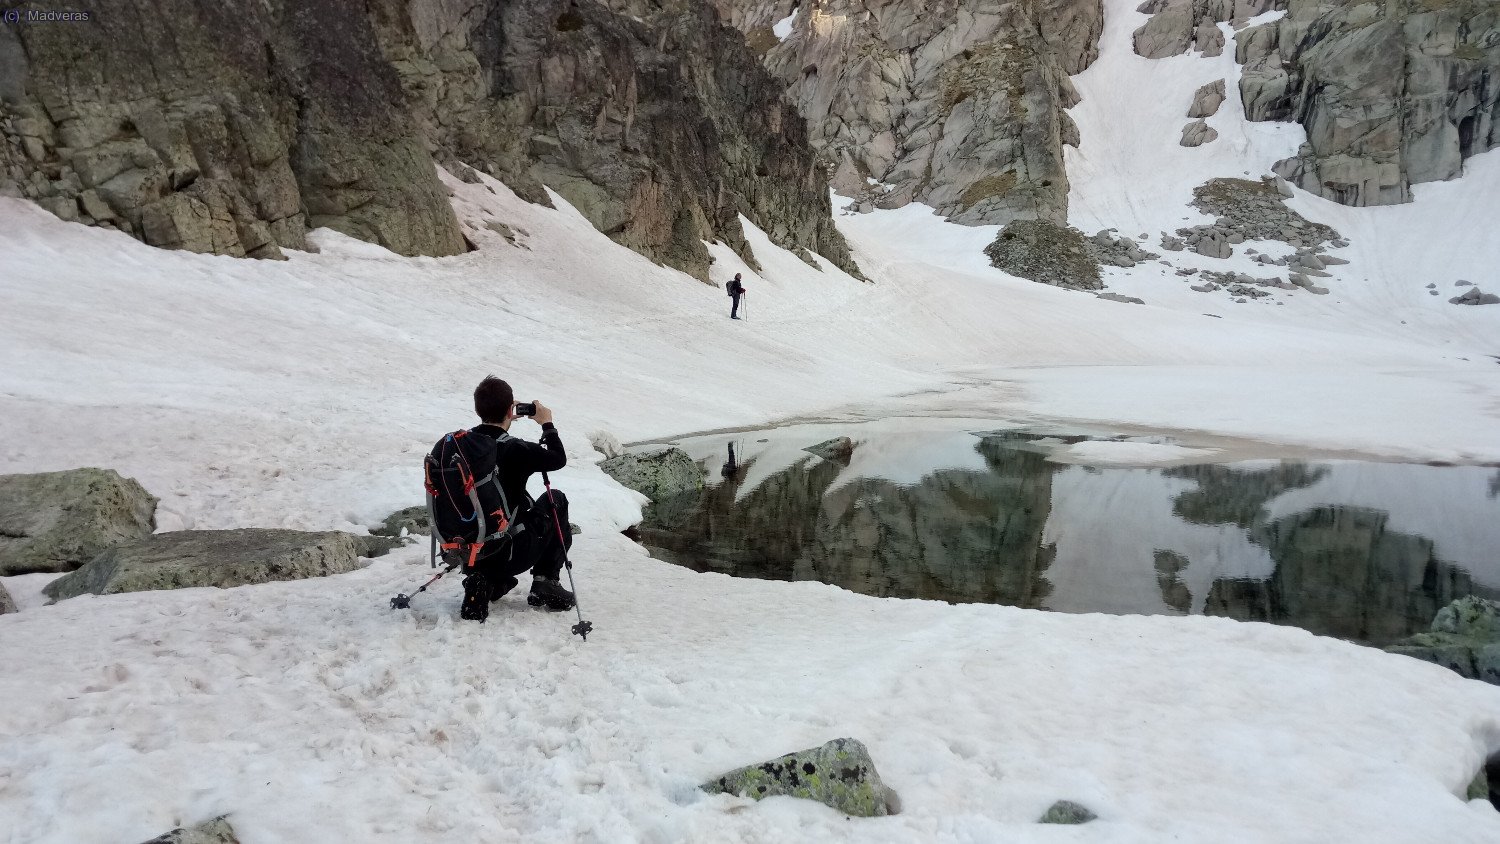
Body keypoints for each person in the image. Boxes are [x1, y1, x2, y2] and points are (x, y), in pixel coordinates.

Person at [460, 375, 576, 621]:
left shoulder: (460, 446)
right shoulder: (515, 449)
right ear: (510, 410)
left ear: (478, 409)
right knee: (555, 499)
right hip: (509, 552)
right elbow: (558, 458)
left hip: (467, 552)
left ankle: (484, 580)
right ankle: (546, 582)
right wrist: (546, 423)